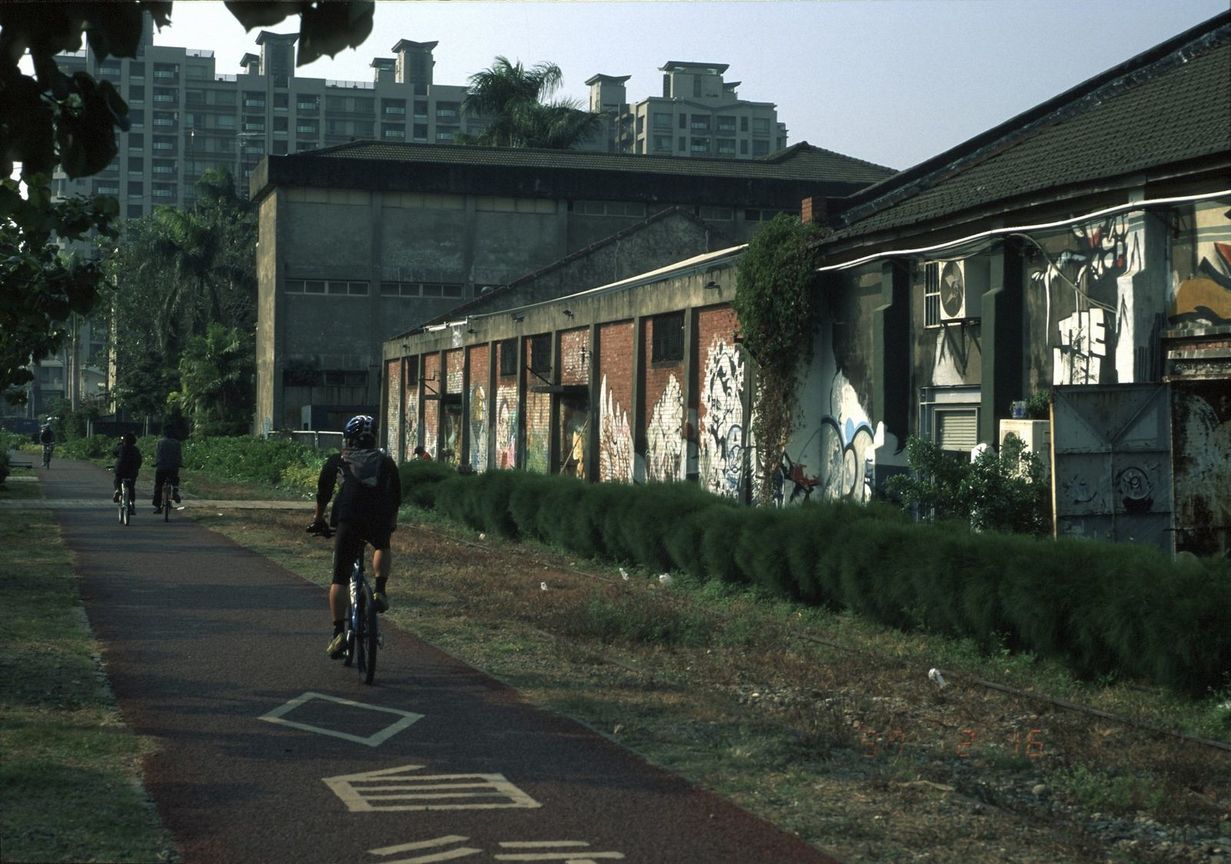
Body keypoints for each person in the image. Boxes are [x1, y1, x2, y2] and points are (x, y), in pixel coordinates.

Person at [309, 415, 402, 659]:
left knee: (339, 577)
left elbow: (323, 493)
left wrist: (318, 520)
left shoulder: (338, 459)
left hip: (348, 516)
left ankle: (338, 632)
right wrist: (390, 522)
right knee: (382, 545)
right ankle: (380, 590)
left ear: (348, 437)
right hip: (378, 515)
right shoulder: (385, 461)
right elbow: (395, 495)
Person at [152, 425, 183, 512]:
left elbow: (158, 455)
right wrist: (179, 464)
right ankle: (175, 490)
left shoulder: (160, 442)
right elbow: (179, 456)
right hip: (173, 467)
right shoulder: (177, 443)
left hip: (162, 467)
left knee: (158, 486)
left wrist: (156, 463)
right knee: (175, 479)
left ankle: (158, 506)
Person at [112, 432, 143, 507]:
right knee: (131, 486)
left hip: (120, 469)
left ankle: (117, 490)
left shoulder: (121, 447)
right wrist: (137, 467)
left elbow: (114, 452)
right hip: (132, 471)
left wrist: (119, 444)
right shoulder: (136, 449)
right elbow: (139, 460)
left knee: (117, 480)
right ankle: (132, 502)